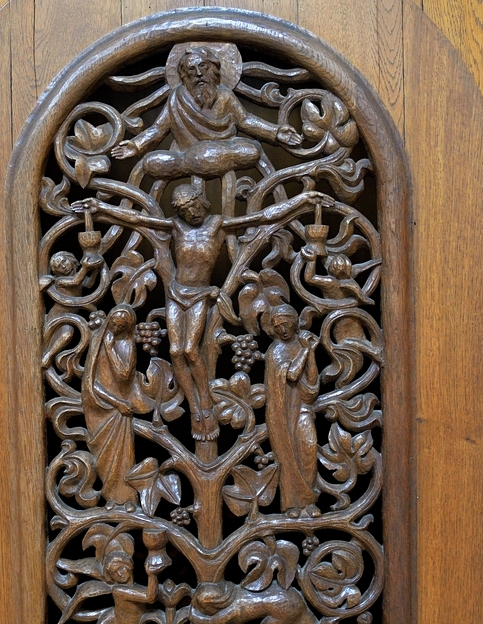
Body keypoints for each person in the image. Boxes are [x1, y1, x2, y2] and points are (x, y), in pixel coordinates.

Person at [72, 187, 322, 443]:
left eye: (193, 207)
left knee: (191, 350)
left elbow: (262, 217)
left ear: (202, 202)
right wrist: (101, 208)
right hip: (176, 293)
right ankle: (195, 409)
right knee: (175, 351)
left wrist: (301, 199)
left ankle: (205, 402)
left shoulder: (218, 225)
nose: (191, 213)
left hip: (199, 295)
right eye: (184, 211)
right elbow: (136, 218)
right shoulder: (176, 226)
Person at [110, 45, 302, 180]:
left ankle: (196, 159)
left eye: (203, 66)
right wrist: (136, 145)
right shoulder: (177, 98)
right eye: (192, 70)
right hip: (186, 154)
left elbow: (245, 120)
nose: (199, 74)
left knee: (252, 150)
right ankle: (192, 159)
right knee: (152, 162)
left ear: (213, 68)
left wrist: (276, 132)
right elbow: (158, 129)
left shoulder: (225, 96)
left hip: (224, 150)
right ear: (184, 75)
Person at [81, 304, 140, 505]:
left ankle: (128, 499)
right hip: (100, 406)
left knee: (124, 456)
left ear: (127, 328)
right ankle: (110, 498)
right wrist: (116, 402)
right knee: (104, 458)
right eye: (113, 323)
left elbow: (124, 375)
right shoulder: (97, 342)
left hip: (120, 412)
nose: (115, 328)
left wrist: (110, 348)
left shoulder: (127, 345)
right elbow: (91, 383)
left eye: (121, 326)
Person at [264, 304, 320, 513]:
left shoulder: (302, 345)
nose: (282, 329)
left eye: (285, 324)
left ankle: (309, 501)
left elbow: (312, 382)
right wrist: (306, 350)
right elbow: (293, 375)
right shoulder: (275, 352)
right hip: (283, 413)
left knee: (309, 446)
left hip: (303, 406)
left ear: (294, 322)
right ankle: (292, 504)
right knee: (287, 457)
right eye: (277, 326)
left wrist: (311, 353)